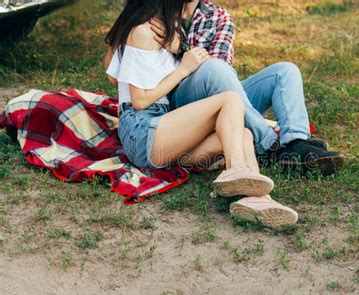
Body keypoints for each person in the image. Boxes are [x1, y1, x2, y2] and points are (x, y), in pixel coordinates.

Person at [104, 0, 298, 229]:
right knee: (230, 100)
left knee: (242, 134)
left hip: (164, 139)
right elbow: (140, 101)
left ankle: (258, 202)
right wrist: (183, 69)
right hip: (142, 132)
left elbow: (114, 75)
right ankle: (235, 171)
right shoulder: (143, 32)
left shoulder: (165, 31)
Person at [151, 0, 345, 175]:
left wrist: (181, 47)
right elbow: (210, 70)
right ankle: (272, 146)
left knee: (285, 71)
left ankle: (296, 142)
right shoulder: (158, 12)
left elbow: (221, 70)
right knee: (214, 68)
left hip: (224, 101)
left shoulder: (218, 17)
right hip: (180, 104)